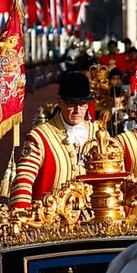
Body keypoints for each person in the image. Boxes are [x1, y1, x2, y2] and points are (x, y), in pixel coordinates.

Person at [10, 70, 97, 208]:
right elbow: (23, 181)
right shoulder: (40, 137)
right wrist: (22, 217)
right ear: (60, 103)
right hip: (52, 223)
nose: (77, 110)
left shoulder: (99, 134)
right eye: (71, 104)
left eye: (82, 105)